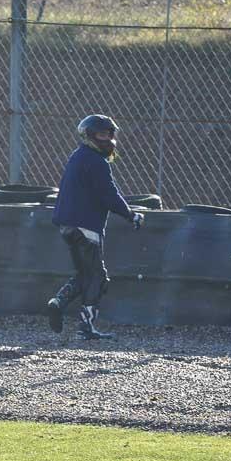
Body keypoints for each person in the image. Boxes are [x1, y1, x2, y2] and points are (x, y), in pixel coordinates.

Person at [48, 114, 144, 340]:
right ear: (89, 136)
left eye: (110, 134)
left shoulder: (77, 157)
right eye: (102, 134)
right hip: (86, 226)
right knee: (98, 277)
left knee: (87, 274)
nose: (108, 139)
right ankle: (86, 327)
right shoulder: (96, 161)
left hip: (67, 225)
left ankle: (57, 302)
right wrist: (131, 215)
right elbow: (109, 195)